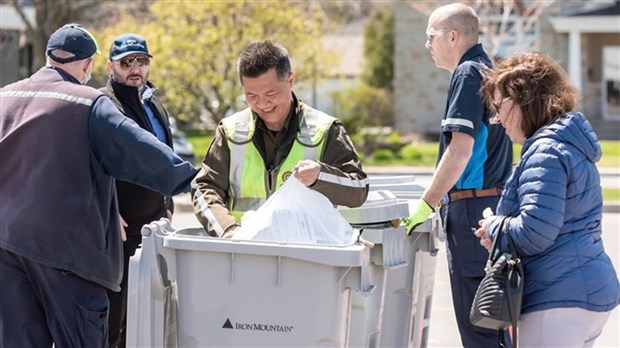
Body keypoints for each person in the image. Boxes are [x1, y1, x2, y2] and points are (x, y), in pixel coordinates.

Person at [0, 24, 198, 347]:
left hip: (8, 246)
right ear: (90, 64)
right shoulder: (88, 103)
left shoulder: (6, 96)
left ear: (50, 57)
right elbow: (139, 151)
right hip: (68, 252)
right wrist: (191, 178)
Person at [475, 52, 620, 347]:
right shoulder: (566, 144)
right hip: (582, 293)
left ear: (524, 101)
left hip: (557, 300)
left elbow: (534, 232)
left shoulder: (546, 152)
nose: (497, 118)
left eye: (499, 106)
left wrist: (493, 226)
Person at [401, 3, 513, 347]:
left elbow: (460, 150)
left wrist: (426, 203)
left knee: (479, 329)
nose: (427, 44)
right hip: (492, 206)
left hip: (470, 212)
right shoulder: (487, 70)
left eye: (430, 36)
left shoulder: (467, 73)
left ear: (453, 36)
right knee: (493, 324)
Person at [192, 40, 369, 237]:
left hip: (309, 254)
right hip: (243, 253)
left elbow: (359, 190)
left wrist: (321, 176)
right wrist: (228, 230)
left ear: (291, 81)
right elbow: (204, 187)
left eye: (271, 93)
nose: (263, 103)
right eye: (251, 95)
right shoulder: (230, 131)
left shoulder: (326, 129)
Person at [99, 33, 176, 348]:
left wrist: (168, 199)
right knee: (115, 318)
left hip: (155, 226)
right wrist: (106, 211)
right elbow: (90, 165)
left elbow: (164, 156)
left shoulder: (154, 103)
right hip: (121, 231)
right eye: (126, 62)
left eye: (141, 61)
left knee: (147, 311)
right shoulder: (103, 105)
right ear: (111, 66)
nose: (135, 68)